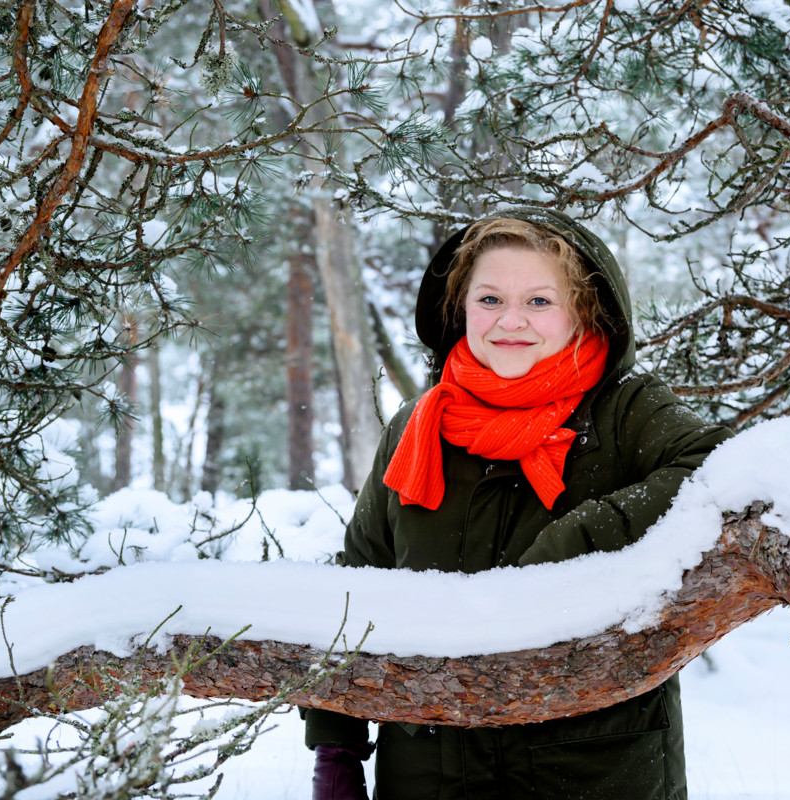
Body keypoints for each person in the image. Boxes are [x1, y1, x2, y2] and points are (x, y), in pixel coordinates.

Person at [304, 208, 732, 800]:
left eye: (538, 301)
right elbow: (359, 582)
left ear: (585, 310)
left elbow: (725, 468)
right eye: (489, 299)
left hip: (593, 769)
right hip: (430, 768)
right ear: (460, 308)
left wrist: (582, 539)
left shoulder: (626, 411)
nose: (510, 321)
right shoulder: (417, 427)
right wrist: (337, 745)